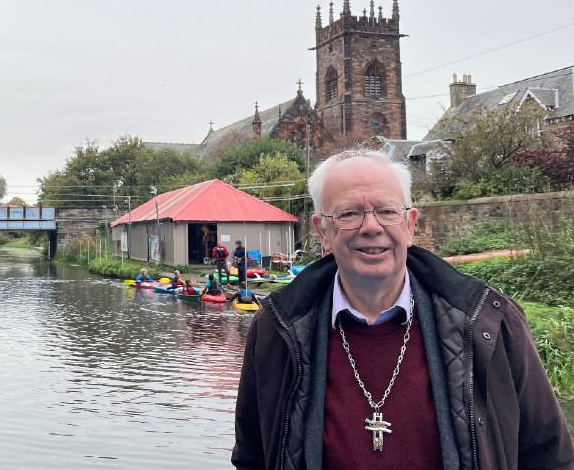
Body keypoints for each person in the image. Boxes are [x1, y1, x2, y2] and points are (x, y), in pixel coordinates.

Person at [232, 148, 573, 470]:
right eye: (349, 213)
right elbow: (252, 457)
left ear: (409, 224)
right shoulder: (275, 328)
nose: (371, 226)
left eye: (387, 210)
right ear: (323, 230)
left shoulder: (490, 321)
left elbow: (549, 455)